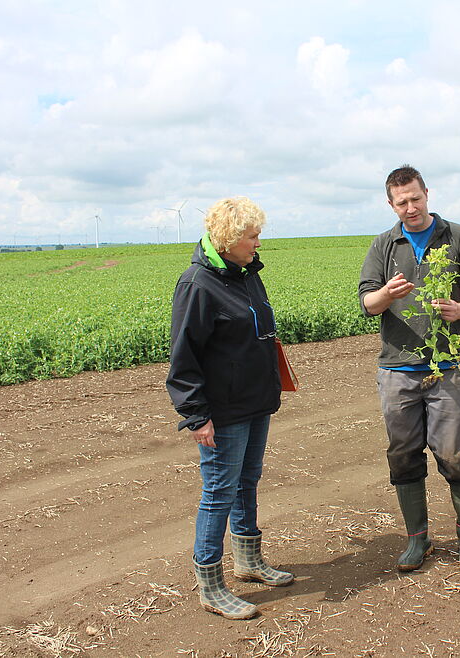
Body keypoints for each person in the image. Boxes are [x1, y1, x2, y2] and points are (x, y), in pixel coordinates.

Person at [166, 196, 293, 620]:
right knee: (219, 491)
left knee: (247, 481)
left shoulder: (245, 275)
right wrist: (196, 415)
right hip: (223, 411)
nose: (259, 242)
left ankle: (248, 560)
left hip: (256, 401)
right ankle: (210, 583)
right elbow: (184, 358)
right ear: (228, 239)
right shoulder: (197, 285)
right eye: (252, 236)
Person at [358, 165, 460, 571]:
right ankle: (418, 539)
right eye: (402, 202)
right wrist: (386, 294)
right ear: (391, 204)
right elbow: (367, 303)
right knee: (403, 454)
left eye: (416, 198)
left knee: (455, 453)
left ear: (427, 194)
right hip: (398, 369)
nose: (410, 207)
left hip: (449, 366)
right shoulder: (384, 244)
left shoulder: (458, 237)